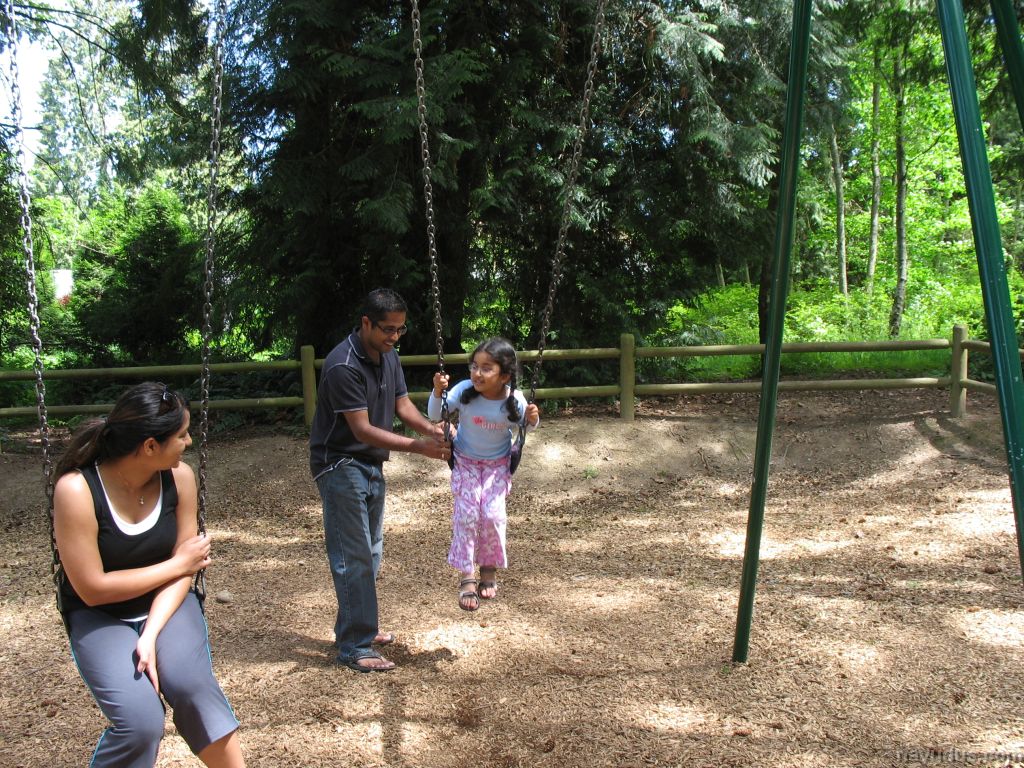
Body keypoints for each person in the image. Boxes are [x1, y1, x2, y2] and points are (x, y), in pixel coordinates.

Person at [52, 382, 244, 768]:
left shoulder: (180, 477)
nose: (188, 442)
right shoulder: (77, 490)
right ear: (150, 446)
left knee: (192, 687)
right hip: (101, 614)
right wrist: (176, 565)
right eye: (182, 435)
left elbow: (187, 571)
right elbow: (93, 589)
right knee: (139, 722)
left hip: (168, 601)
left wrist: (151, 634)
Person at [309, 288, 450, 672]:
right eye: (388, 329)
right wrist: (419, 447)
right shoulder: (342, 365)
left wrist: (433, 429)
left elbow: (402, 405)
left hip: (370, 463)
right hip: (339, 463)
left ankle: (355, 629)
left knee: (370, 552)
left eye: (400, 330)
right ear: (366, 323)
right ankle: (356, 647)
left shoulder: (389, 357)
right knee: (353, 555)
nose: (395, 337)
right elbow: (362, 429)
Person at [428, 337, 540, 611]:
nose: (477, 373)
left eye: (486, 368)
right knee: (467, 515)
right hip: (465, 461)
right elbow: (435, 414)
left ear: (504, 376)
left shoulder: (513, 399)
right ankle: (467, 574)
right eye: (474, 366)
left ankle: (488, 567)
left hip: (497, 466)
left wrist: (533, 418)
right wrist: (437, 392)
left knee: (492, 515)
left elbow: (528, 426)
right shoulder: (464, 390)